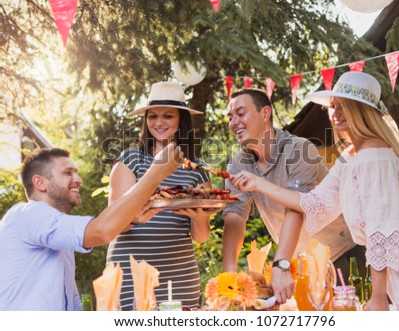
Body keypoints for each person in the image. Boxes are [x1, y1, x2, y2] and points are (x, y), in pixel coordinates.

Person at [230, 72, 399, 311]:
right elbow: (314, 203)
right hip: (397, 268)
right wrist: (257, 183)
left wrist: (377, 297)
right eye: (334, 106)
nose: (336, 113)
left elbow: (382, 230)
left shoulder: (374, 157)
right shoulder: (351, 156)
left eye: (345, 107)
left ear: (363, 112)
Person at [0, 143, 182, 311]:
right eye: (67, 173)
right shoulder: (28, 214)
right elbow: (101, 231)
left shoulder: (57, 233)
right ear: (40, 183)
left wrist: (131, 219)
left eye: (76, 172)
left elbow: (70, 305)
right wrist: (156, 173)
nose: (79, 179)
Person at [223, 87, 356, 304]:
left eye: (240, 113)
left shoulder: (300, 149)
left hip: (341, 256)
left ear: (265, 113)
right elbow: (235, 214)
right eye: (230, 117)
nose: (233, 122)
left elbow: (297, 207)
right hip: (301, 263)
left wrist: (281, 264)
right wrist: (228, 276)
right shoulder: (238, 163)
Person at [106, 81, 217, 310]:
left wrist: (199, 217)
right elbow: (111, 224)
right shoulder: (131, 160)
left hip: (179, 277)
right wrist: (136, 216)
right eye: (152, 116)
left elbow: (201, 236)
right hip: (131, 274)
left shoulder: (197, 169)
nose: (158, 122)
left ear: (181, 121)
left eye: (168, 116)